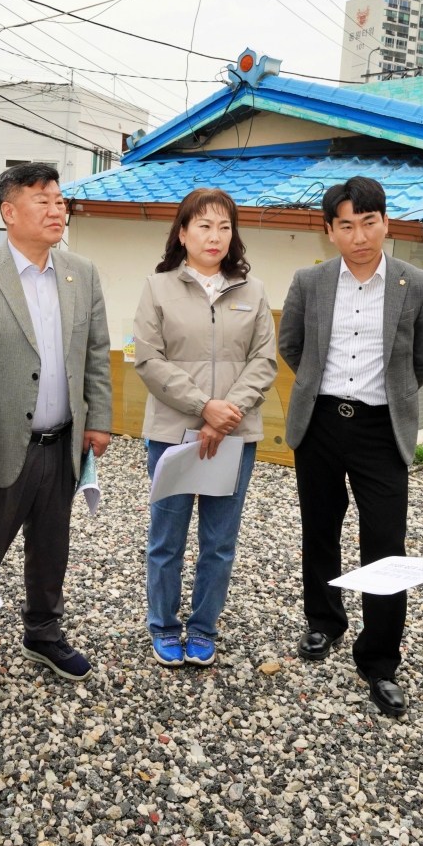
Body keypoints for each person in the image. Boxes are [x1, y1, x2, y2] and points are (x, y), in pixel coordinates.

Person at [0, 161, 113, 706]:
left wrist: (100, 419)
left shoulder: (81, 273)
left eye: (59, 199)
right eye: (42, 199)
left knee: (51, 547)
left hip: (61, 441)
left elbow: (96, 357)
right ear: (8, 212)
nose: (57, 208)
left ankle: (44, 633)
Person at [278, 175, 423, 719]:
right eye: (346, 225)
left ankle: (379, 659)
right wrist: (319, 389)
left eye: (369, 222)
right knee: (319, 530)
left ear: (385, 222)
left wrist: (389, 395)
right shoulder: (311, 280)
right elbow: (292, 344)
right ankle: (323, 622)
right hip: (321, 423)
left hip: (381, 429)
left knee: (385, 543)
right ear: (330, 231)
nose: (360, 235)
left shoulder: (416, 284)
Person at [131, 187, 277, 668]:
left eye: (224, 226)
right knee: (167, 537)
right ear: (183, 232)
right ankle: (164, 626)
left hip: (234, 435)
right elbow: (149, 360)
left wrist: (226, 412)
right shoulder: (158, 287)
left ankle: (203, 627)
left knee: (219, 542)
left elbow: (263, 360)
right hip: (173, 433)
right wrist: (203, 407)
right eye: (204, 226)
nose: (215, 236)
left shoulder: (252, 291)